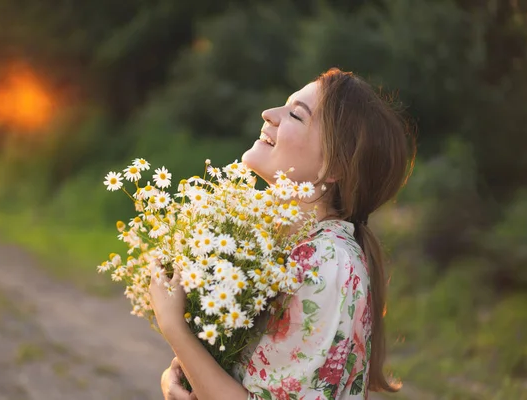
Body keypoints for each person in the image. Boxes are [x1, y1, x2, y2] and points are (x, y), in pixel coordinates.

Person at [149, 68, 416, 400]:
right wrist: (181, 374)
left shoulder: (327, 263)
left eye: (295, 114)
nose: (269, 114)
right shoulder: (276, 245)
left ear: (334, 167)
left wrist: (174, 329)